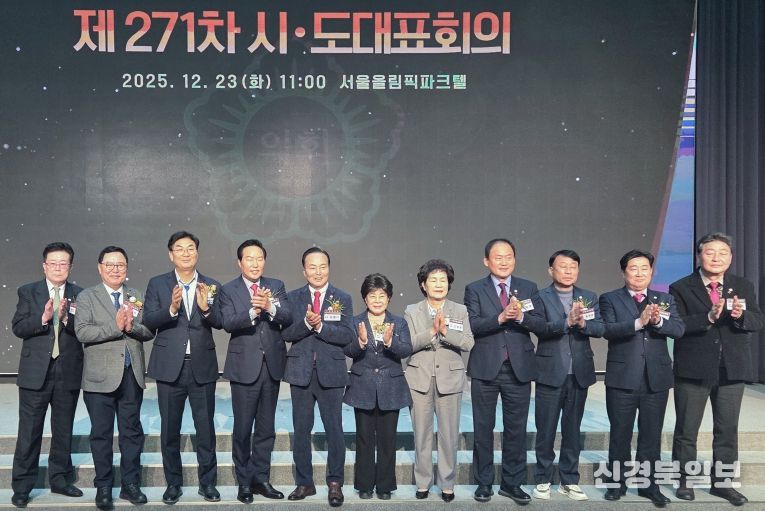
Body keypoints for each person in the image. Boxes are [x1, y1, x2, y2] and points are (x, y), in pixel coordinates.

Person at [669, 233, 764, 506]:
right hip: (693, 368)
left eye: (723, 252)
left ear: (730, 258)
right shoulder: (681, 287)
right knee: (687, 428)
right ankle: (684, 481)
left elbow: (757, 320)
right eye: (710, 252)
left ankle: (722, 483)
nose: (716, 257)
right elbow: (677, 325)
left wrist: (741, 316)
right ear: (699, 255)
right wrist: (708, 317)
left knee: (727, 430)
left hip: (731, 368)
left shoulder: (742, 285)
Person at [599, 249, 684, 507]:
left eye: (644, 268)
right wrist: (639, 321)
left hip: (655, 378)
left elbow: (678, 329)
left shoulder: (664, 299)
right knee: (620, 434)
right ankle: (616, 483)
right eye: (633, 268)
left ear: (651, 272)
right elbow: (607, 330)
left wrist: (657, 322)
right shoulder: (610, 299)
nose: (639, 273)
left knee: (651, 435)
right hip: (622, 377)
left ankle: (649, 486)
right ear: (623, 272)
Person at [143, 231, 223, 504]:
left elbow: (220, 321)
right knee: (170, 430)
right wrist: (171, 309)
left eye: (190, 248)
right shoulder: (158, 284)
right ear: (171, 255)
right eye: (180, 249)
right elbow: (148, 320)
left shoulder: (211, 285)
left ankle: (208, 484)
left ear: (197, 253)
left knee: (206, 429)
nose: (186, 253)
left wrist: (206, 309)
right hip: (169, 367)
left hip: (202, 366)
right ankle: (173, 484)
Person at [464, 239, 545, 504]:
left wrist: (520, 316)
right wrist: (501, 317)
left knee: (516, 429)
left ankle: (512, 483)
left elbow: (540, 324)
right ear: (486, 261)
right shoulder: (474, 289)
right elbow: (473, 325)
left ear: (515, 259)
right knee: (483, 428)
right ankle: (484, 483)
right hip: (486, 368)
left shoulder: (528, 287)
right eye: (498, 257)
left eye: (508, 256)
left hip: (518, 368)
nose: (504, 262)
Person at [74, 246, 154, 510]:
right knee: (101, 435)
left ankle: (130, 485)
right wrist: (116, 327)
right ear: (100, 268)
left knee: (132, 434)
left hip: (131, 376)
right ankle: (104, 487)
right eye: (109, 265)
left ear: (126, 268)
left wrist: (132, 327)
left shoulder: (135, 295)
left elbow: (148, 331)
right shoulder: (87, 296)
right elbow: (82, 332)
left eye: (120, 265)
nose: (115, 269)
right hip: (100, 378)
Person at [10, 242, 84, 508]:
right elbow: (18, 327)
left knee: (63, 429)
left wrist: (65, 320)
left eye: (63, 263)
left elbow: (84, 330)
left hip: (68, 371)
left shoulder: (80, 294)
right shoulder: (28, 291)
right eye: (53, 263)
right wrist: (43, 319)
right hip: (35, 373)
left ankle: (60, 480)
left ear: (70, 266)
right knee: (29, 431)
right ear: (44, 266)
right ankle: (22, 486)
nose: (58, 267)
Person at [219, 239, 292, 503]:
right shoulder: (228, 290)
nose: (255, 263)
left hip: (270, 365)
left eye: (259, 258)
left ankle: (261, 478)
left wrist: (270, 307)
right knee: (242, 428)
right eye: (249, 258)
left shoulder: (276, 285)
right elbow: (227, 322)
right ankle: (244, 482)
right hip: (244, 367)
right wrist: (253, 310)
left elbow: (288, 316)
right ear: (239, 262)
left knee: (266, 427)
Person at [281, 247, 354, 507]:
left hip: (331, 373)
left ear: (329, 268)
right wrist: (306, 324)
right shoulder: (292, 297)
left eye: (322, 266)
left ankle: (335, 483)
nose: (318, 271)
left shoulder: (342, 297)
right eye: (312, 267)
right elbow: (286, 333)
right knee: (301, 429)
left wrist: (321, 326)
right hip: (300, 371)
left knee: (334, 429)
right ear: (304, 271)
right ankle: (305, 483)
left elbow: (347, 335)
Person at [532, 249, 604, 501]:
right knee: (546, 429)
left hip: (579, 373)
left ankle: (569, 480)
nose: (568, 271)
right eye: (563, 266)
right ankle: (542, 479)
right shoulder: (540, 297)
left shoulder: (589, 297)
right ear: (551, 270)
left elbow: (600, 328)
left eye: (573, 266)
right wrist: (566, 322)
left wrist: (583, 323)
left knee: (572, 430)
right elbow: (538, 327)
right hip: (550, 372)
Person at [405, 259, 474, 502]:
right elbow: (408, 344)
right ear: (423, 285)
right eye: (433, 280)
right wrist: (432, 332)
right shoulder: (412, 311)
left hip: (450, 378)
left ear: (449, 283)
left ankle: (447, 484)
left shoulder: (460, 310)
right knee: (421, 434)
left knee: (449, 435)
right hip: (419, 378)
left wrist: (445, 332)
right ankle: (423, 482)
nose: (438, 284)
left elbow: (468, 342)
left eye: (443, 280)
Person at [344, 274, 412, 500]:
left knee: (387, 439)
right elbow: (348, 350)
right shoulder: (355, 322)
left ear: (389, 298)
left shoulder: (399, 322)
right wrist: (361, 342)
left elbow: (406, 350)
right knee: (364, 438)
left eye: (382, 295)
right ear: (365, 298)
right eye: (372, 295)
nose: (377, 300)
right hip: (362, 386)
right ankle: (364, 485)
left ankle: (384, 486)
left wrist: (391, 342)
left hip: (390, 387)